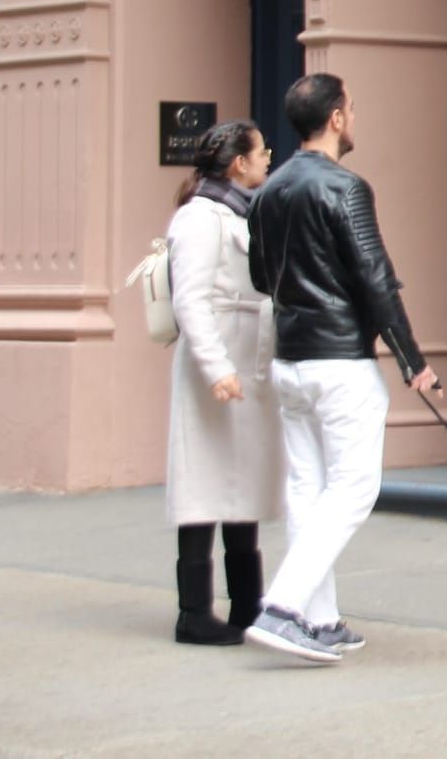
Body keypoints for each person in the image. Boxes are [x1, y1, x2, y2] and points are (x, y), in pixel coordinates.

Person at [243, 73, 439, 663]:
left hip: (291, 359)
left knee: (308, 488)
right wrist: (414, 363)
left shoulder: (269, 190)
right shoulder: (346, 188)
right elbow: (374, 278)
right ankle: (282, 609)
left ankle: (319, 619)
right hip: (339, 362)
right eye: (351, 108)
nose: (354, 117)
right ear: (334, 119)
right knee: (353, 489)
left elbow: (259, 277)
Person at [165, 119, 283, 646]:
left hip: (247, 362)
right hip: (217, 365)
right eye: (260, 151)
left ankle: (246, 606)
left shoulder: (241, 211)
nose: (267, 157)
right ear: (238, 162)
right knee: (203, 482)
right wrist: (216, 369)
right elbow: (189, 299)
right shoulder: (199, 218)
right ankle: (193, 612)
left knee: (242, 479)